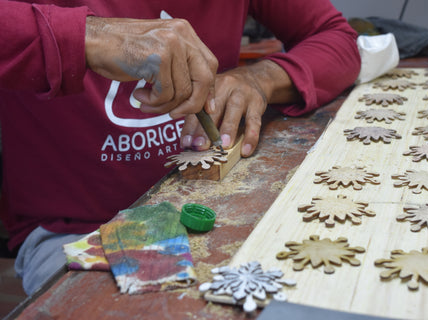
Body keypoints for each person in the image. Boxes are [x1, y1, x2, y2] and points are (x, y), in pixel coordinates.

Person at [0, 0, 361, 295]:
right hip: (83, 228)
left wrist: (261, 78)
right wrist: (83, 35)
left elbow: (338, 39)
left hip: (219, 203)